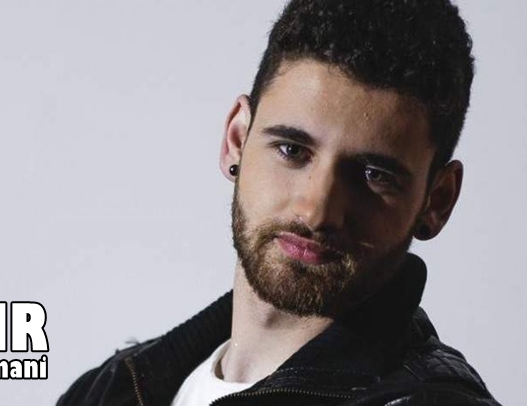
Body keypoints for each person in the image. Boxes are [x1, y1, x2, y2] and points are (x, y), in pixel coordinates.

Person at [58, 0, 501, 405]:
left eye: (374, 175)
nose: (317, 211)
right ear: (237, 139)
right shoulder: (109, 390)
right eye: (292, 150)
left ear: (437, 200)